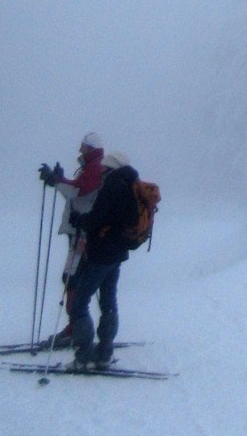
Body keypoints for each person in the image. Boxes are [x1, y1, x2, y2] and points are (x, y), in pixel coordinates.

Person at [67, 149, 139, 368]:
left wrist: (80, 220)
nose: (101, 171)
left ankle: (84, 354)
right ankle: (105, 352)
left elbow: (98, 218)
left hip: (101, 254)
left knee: (79, 303)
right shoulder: (129, 185)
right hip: (117, 254)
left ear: (110, 167)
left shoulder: (112, 186)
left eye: (104, 167)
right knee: (108, 302)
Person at [38, 133, 106, 349]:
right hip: (80, 232)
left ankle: (75, 330)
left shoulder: (94, 169)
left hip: (81, 234)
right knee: (73, 278)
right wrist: (60, 181)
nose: (80, 150)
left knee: (72, 278)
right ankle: (75, 328)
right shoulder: (92, 168)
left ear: (90, 148)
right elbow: (77, 190)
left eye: (83, 146)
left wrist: (57, 181)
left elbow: (77, 191)